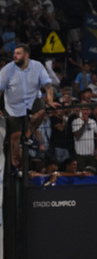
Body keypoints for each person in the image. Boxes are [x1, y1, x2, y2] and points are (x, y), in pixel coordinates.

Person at [0, 44, 59, 174]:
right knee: (14, 137)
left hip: (32, 100)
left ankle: (27, 136)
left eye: (18, 53)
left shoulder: (37, 66)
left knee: (41, 111)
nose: (14, 55)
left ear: (26, 55)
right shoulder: (7, 70)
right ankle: (14, 165)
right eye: (14, 53)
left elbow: (48, 85)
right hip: (13, 106)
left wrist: (49, 100)